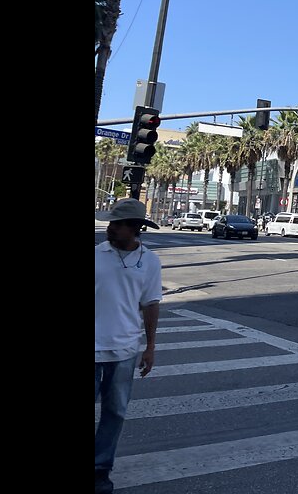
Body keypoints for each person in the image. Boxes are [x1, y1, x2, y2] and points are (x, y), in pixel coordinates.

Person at [96, 198, 163, 494]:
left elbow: (150, 305)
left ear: (135, 228)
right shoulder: (96, 255)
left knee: (116, 412)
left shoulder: (149, 261)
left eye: (118, 224)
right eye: (112, 222)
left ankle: (100, 469)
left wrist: (150, 347)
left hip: (125, 349)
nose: (111, 227)